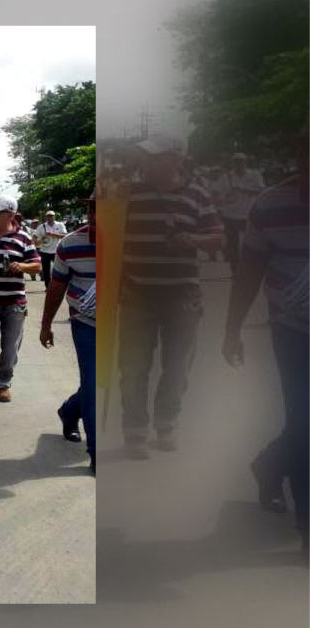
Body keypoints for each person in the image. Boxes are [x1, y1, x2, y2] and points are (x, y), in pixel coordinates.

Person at [222, 136, 307, 551]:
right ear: (299, 159)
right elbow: (249, 273)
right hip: (295, 330)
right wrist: (231, 329)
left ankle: (270, 465)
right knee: (306, 421)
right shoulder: (270, 206)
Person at [119, 134, 224, 459]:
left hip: (182, 295)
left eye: (155, 158)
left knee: (177, 365)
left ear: (176, 161)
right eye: (145, 158)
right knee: (134, 366)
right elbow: (102, 227)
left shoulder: (197, 195)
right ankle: (135, 431)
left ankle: (167, 424)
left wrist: (191, 240)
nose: (146, 163)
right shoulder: (128, 194)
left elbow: (218, 237)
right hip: (137, 294)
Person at [41, 193, 97, 473]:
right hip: (86, 323)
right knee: (95, 383)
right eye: (95, 210)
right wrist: (46, 324)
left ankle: (70, 410)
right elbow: (56, 287)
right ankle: (97, 451)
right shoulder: (71, 243)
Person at [0, 198, 42, 407]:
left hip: (14, 304)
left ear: (10, 216)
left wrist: (21, 266)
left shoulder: (23, 238)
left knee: (11, 347)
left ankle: (4, 384)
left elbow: (37, 266)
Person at [214, 152, 266, 274]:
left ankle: (249, 268)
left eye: (241, 161)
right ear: (233, 163)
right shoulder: (226, 177)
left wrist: (244, 190)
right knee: (232, 245)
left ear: (245, 162)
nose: (239, 164)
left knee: (250, 244)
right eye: (236, 161)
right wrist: (221, 199)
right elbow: (216, 192)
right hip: (230, 215)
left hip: (248, 214)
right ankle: (235, 271)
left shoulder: (254, 175)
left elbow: (261, 190)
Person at [34, 210, 69, 288]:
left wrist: (52, 234)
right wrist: (40, 241)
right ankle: (48, 287)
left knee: (59, 270)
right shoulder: (42, 226)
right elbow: (35, 238)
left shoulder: (60, 225)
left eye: (51, 216)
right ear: (46, 217)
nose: (50, 217)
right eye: (48, 216)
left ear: (54, 217)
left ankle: (59, 286)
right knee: (46, 271)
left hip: (56, 251)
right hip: (44, 251)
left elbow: (64, 236)